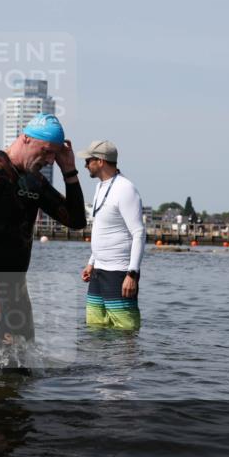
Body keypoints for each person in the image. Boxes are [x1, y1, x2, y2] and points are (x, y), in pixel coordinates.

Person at [0, 113, 86, 368]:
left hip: (16, 289)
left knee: (23, 367)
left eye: (54, 155)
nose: (49, 160)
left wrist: (69, 171)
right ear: (26, 139)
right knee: (3, 368)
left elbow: (76, 220)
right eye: (46, 151)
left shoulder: (33, 181)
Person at [78, 140, 145, 331]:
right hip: (98, 271)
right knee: (95, 328)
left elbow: (139, 233)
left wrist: (132, 273)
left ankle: (128, 363)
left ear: (100, 161)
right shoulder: (100, 187)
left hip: (119, 272)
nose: (85, 165)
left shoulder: (125, 189)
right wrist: (92, 262)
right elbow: (103, 227)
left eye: (88, 160)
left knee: (125, 331)